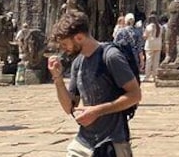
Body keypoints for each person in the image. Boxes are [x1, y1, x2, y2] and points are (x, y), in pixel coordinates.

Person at [48, 10, 141, 157]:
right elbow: (69, 107)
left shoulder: (111, 57)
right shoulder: (78, 62)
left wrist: (97, 111)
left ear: (79, 37)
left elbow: (135, 95)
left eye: (65, 44)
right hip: (83, 142)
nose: (64, 49)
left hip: (112, 142)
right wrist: (58, 79)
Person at [143, 14, 163, 82]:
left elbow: (145, 36)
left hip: (150, 45)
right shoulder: (160, 27)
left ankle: (147, 76)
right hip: (158, 45)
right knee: (156, 61)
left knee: (149, 61)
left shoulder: (148, 27)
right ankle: (155, 75)